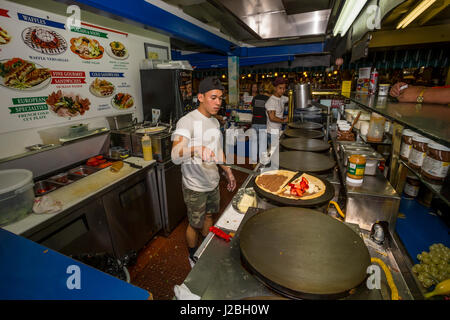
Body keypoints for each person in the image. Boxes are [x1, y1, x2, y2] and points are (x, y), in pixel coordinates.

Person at [171, 76, 237, 267]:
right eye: (213, 97)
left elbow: (218, 151)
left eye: (220, 98)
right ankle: (192, 256)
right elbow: (175, 155)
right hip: (195, 186)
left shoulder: (215, 123)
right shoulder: (187, 122)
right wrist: (196, 148)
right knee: (195, 224)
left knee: (209, 217)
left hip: (212, 181)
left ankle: (206, 248)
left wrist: (228, 171)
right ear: (200, 97)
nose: (218, 102)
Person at [265, 77, 289, 146]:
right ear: (275, 88)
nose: (282, 90)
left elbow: (291, 99)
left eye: (284, 88)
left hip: (278, 131)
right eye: (280, 88)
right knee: (273, 155)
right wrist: (284, 120)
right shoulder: (271, 101)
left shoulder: (282, 98)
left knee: (277, 153)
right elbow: (272, 118)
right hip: (272, 133)